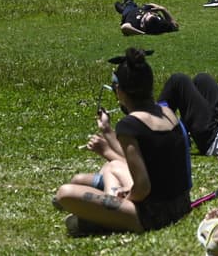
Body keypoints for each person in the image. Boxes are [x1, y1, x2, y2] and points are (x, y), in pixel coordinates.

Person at [53, 48, 192, 235]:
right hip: (181, 204)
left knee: (65, 193)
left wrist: (128, 195)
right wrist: (107, 131)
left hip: (153, 215)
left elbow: (143, 186)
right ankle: (103, 213)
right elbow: (144, 162)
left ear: (119, 90)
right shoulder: (167, 113)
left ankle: (103, 219)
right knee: (114, 166)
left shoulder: (130, 125)